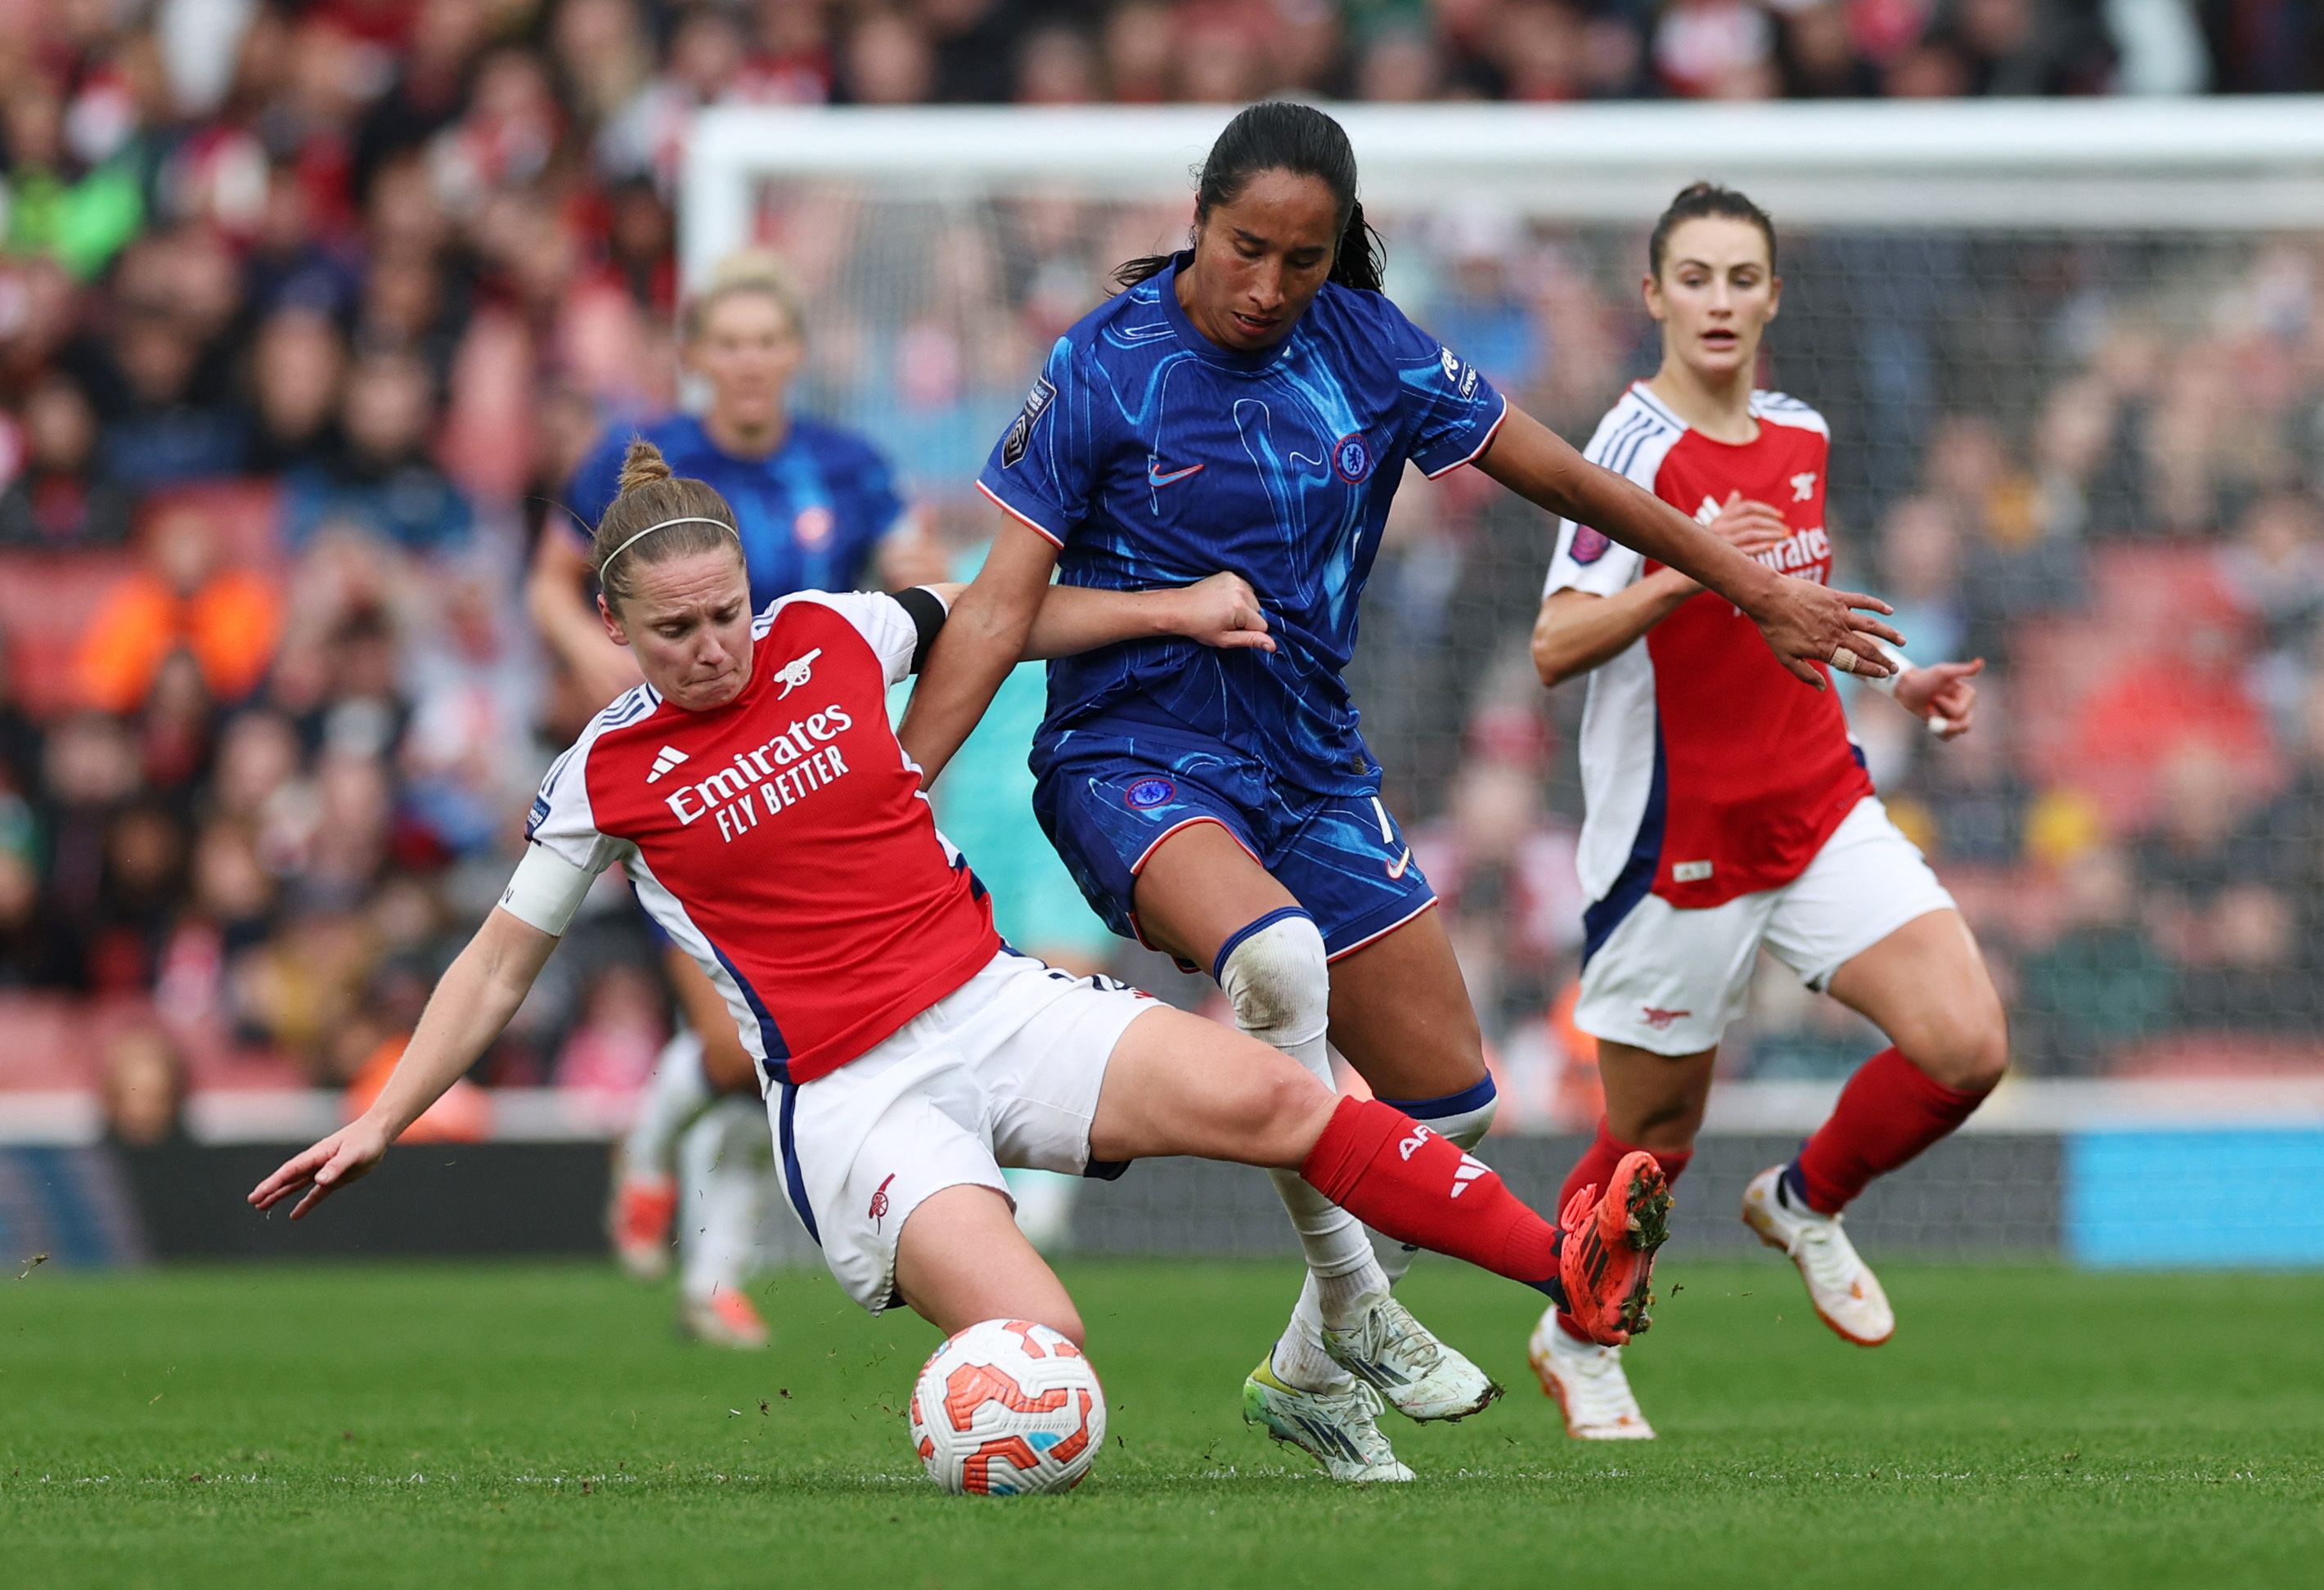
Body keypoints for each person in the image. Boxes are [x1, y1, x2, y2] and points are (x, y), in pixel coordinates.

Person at [248, 447, 1679, 1486]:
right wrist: (384, 1114)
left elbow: (1000, 613)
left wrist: (1169, 608)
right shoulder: (602, 778)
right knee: (1045, 1352)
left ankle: (1562, 1267)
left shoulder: (828, 633)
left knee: (1279, 1102)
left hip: (992, 1004)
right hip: (858, 1099)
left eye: (725, 611)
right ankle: (991, 1429)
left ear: (754, 588)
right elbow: (497, 965)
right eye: (674, 630)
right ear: (616, 632)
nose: (711, 646)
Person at [897, 101, 1900, 1480]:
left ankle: (1307, 1372)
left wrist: (1750, 584)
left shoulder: (1366, 347)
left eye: (1300, 261)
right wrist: (894, 794)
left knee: (1451, 1103)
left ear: (1338, 256)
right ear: (1198, 218)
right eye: (1245, 248)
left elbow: (1560, 475)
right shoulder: (1102, 368)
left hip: (1305, 759)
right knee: (1281, 963)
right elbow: (1001, 607)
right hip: (1128, 757)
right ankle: (1364, 1309)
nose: (1265, 288)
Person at [1524, 183, 2004, 1440]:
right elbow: (1553, 644)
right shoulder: (1624, 454)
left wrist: (1900, 680)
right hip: (1677, 837)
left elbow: (1790, 607)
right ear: (1654, 296)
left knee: (1965, 1045)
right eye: (1694, 277)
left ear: (1772, 295)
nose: (1719, 301)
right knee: (1649, 1134)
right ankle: (1574, 1337)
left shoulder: (1800, 431)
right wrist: (1690, 560)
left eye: (1742, 278)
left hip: (1818, 796)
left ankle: (1802, 1200)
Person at [541, 249, 930, 1345]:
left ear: (794, 354)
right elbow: (547, 582)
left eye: (770, 341)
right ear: (697, 357)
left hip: (801, 786)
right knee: (735, 1044)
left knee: (765, 1044)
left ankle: (706, 1263)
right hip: (677, 781)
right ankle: (675, 1190)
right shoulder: (643, 469)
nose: (751, 362)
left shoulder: (846, 464)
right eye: (731, 341)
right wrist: (601, 658)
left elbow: (914, 571)